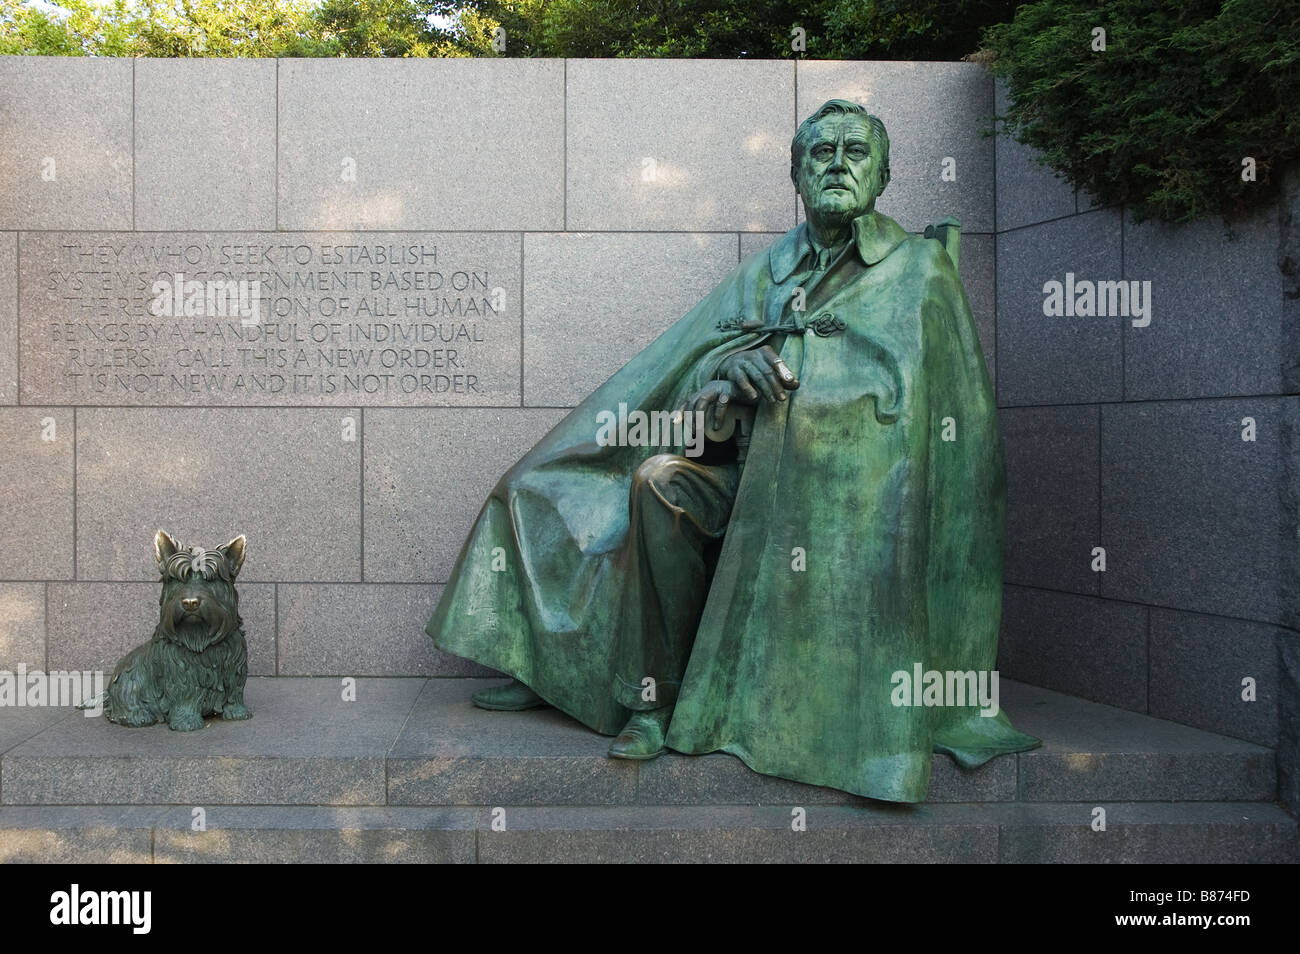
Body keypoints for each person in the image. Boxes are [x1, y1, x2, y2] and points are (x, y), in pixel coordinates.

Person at [426, 99, 1038, 802]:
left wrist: (811, 394)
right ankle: (638, 696)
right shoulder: (771, 268)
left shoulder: (920, 269)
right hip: (743, 477)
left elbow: (951, 431)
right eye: (820, 153)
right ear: (796, 176)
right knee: (643, 480)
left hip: (846, 501)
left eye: (855, 152)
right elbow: (693, 376)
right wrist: (728, 377)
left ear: (884, 174)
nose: (838, 164)